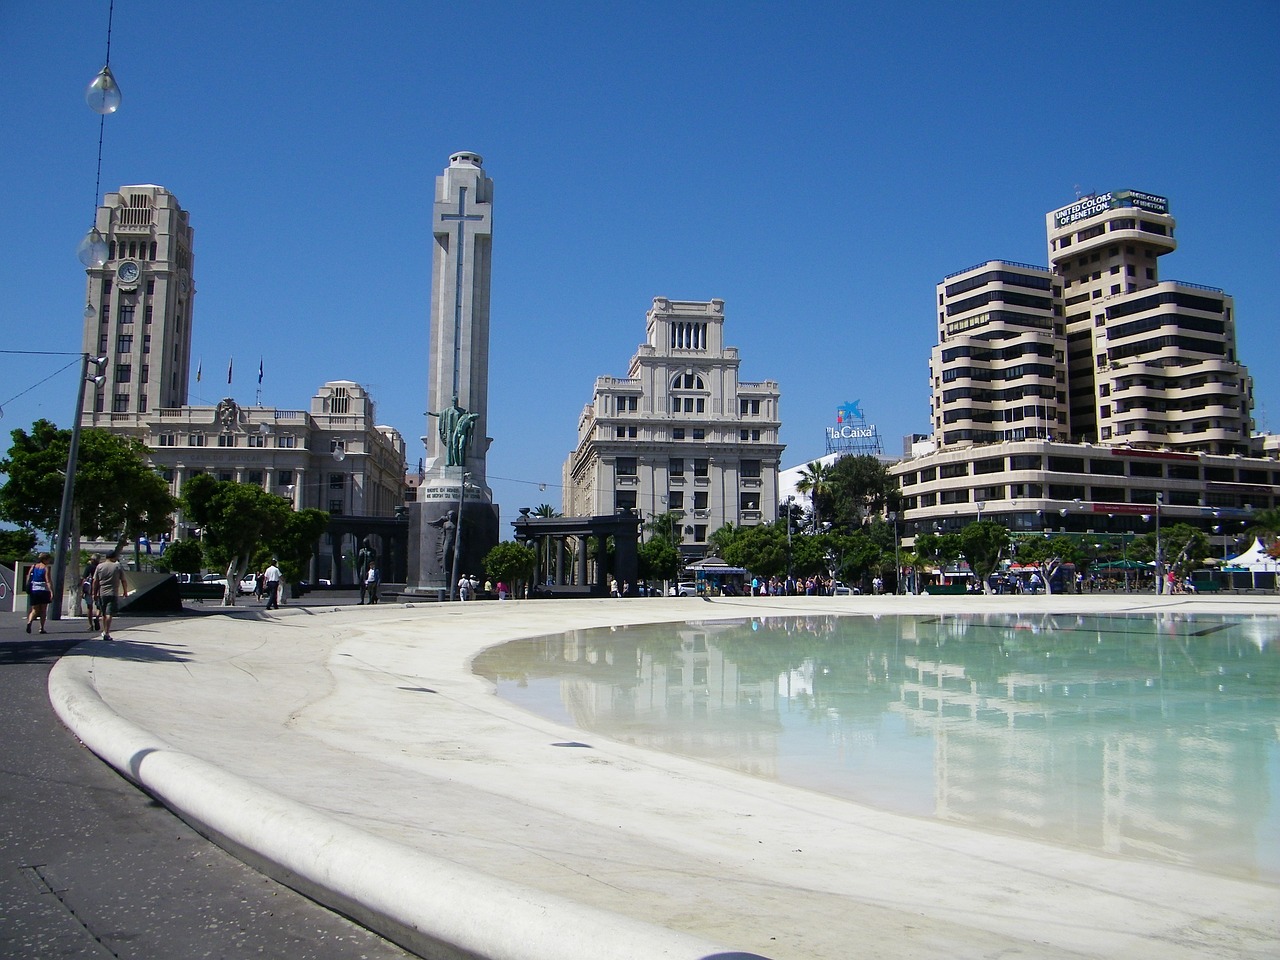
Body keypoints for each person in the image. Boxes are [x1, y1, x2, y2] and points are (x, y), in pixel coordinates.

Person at [92, 550, 129, 641]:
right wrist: (125, 591)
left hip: (102, 593)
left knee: (103, 613)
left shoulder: (99, 566)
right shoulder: (117, 566)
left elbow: (95, 581)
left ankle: (104, 630)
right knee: (109, 614)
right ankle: (107, 632)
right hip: (113, 593)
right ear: (114, 557)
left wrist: (94, 593)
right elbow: (123, 580)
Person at [25, 552, 53, 634]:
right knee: (43, 610)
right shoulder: (46, 568)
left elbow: (28, 577)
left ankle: (29, 622)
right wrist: (51, 591)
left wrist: (28, 586)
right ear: (45, 559)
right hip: (43, 590)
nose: (49, 561)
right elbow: (48, 580)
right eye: (48, 559)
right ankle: (41, 628)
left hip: (34, 590)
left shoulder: (33, 566)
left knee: (34, 610)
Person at [82, 556, 101, 631]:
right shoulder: (99, 567)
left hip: (89, 590)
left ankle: (90, 625)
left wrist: (82, 590)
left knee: (89, 607)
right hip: (98, 588)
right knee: (99, 607)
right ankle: (97, 618)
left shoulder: (88, 568)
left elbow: (84, 579)